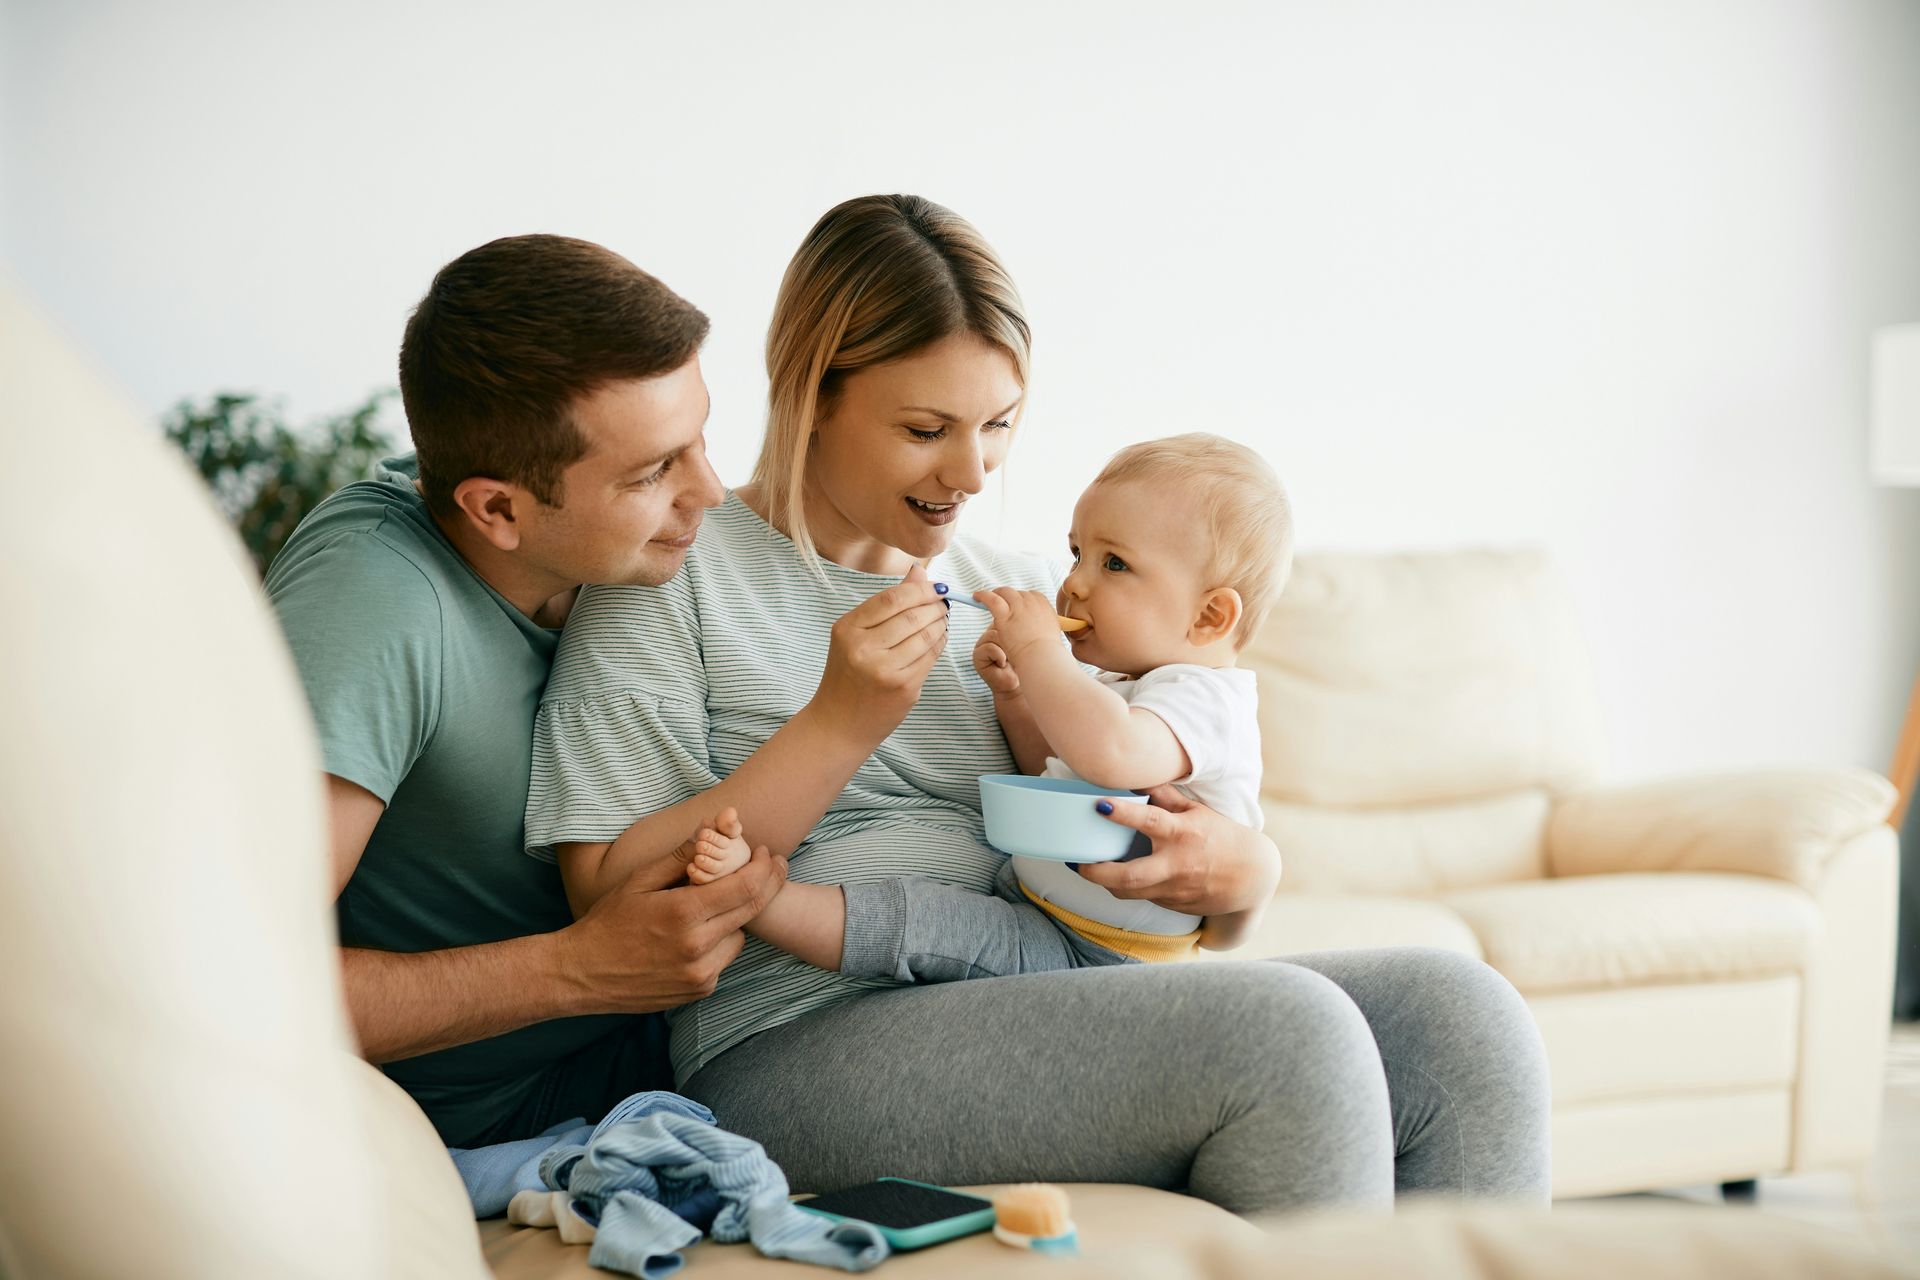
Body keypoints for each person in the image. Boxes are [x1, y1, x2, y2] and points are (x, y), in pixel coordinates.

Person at [524, 194, 1552, 1214]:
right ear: (812, 393)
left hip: (1046, 980)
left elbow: (1163, 811)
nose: (970, 471)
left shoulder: (1028, 592)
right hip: (795, 1041)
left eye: (999, 425)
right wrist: (837, 724)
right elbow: (609, 899)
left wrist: (1244, 875)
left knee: (1461, 1019)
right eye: (926, 428)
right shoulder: (672, 583)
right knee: (1290, 1034)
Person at [264, 234, 802, 1147]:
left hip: (695, 1024)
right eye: (651, 473)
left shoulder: (612, 557)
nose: (710, 492)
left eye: (700, 438)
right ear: (498, 510)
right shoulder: (376, 608)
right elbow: (230, 976)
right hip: (530, 1108)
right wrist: (576, 971)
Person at [691, 431, 1288, 972]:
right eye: (1076, 552)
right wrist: (1016, 699)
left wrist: (1039, 653)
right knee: (932, 919)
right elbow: (1058, 778)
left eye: (1114, 563)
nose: (1075, 581)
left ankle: (763, 900)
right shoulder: (1127, 684)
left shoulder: (1207, 700)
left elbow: (1112, 754)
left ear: (1211, 616)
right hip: (1043, 913)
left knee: (923, 924)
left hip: (1104, 956)